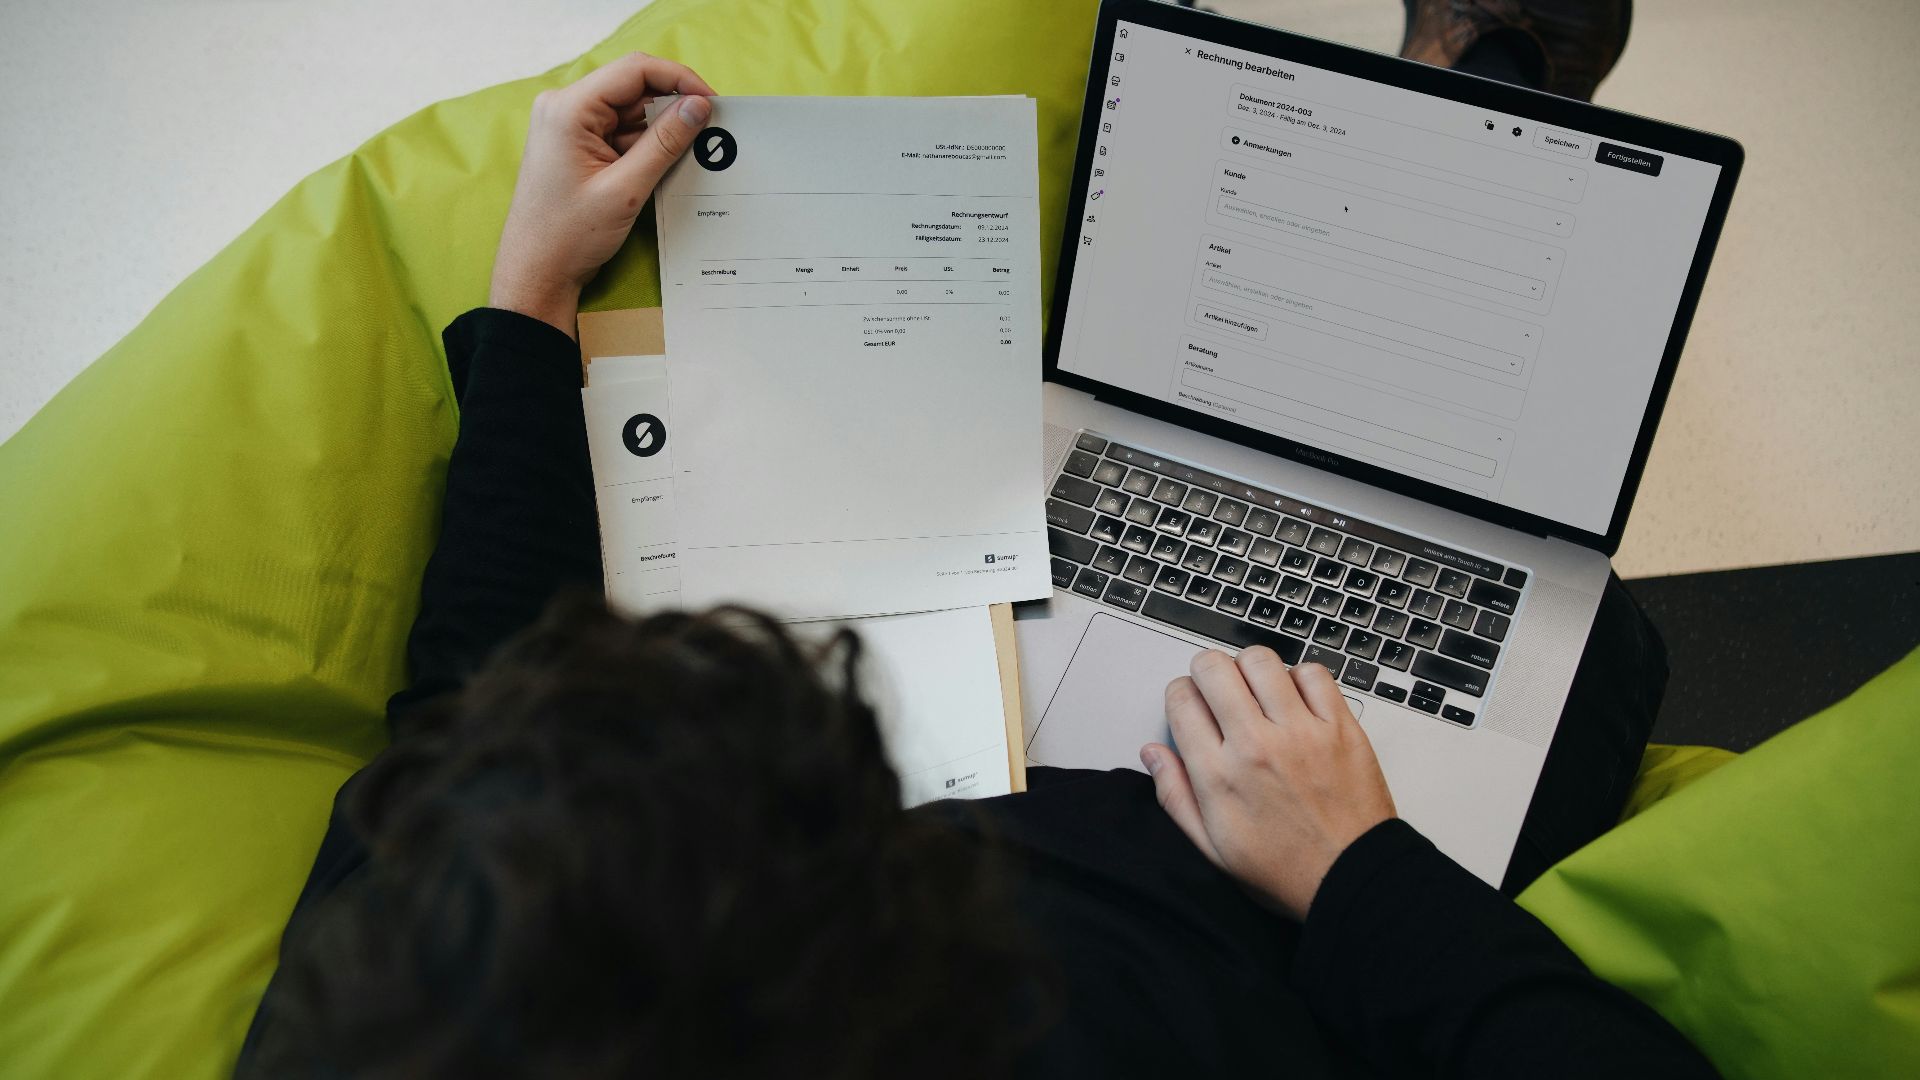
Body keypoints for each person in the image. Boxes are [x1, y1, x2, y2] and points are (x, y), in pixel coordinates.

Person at [239, 4, 1718, 1076]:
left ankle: (1439, 121)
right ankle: (1490, 110)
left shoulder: (404, 1008)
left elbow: (454, 738)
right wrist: (1357, 873)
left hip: (1116, 781)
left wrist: (532, 298)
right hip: (1285, 878)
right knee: (1576, 630)